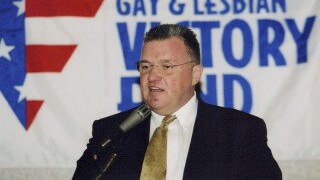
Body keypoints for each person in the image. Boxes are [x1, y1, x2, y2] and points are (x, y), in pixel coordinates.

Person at [72, 24, 282, 180]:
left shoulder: (240, 131)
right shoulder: (111, 132)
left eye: (167, 66)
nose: (152, 76)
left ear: (195, 74)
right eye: (146, 67)